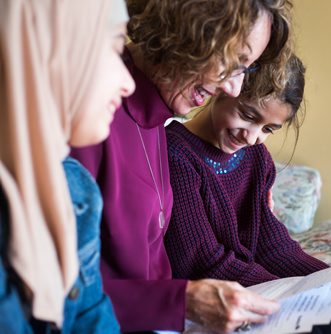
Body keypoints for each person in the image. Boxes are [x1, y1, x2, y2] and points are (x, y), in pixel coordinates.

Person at [70, 0, 293, 332]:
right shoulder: (91, 113)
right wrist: (182, 301)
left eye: (244, 69)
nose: (233, 88)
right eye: (233, 62)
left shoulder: (158, 120)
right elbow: (58, 295)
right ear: (188, 29)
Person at [164, 55, 331, 334]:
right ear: (224, 88)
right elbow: (204, 263)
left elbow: (272, 245)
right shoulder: (176, 154)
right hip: (218, 291)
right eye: (248, 116)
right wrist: (309, 298)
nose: (251, 138)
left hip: (258, 284)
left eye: (267, 129)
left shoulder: (255, 157)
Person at [0, 0, 135, 332]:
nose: (129, 84)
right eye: (116, 47)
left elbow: (93, 317)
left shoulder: (75, 188)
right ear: (51, 47)